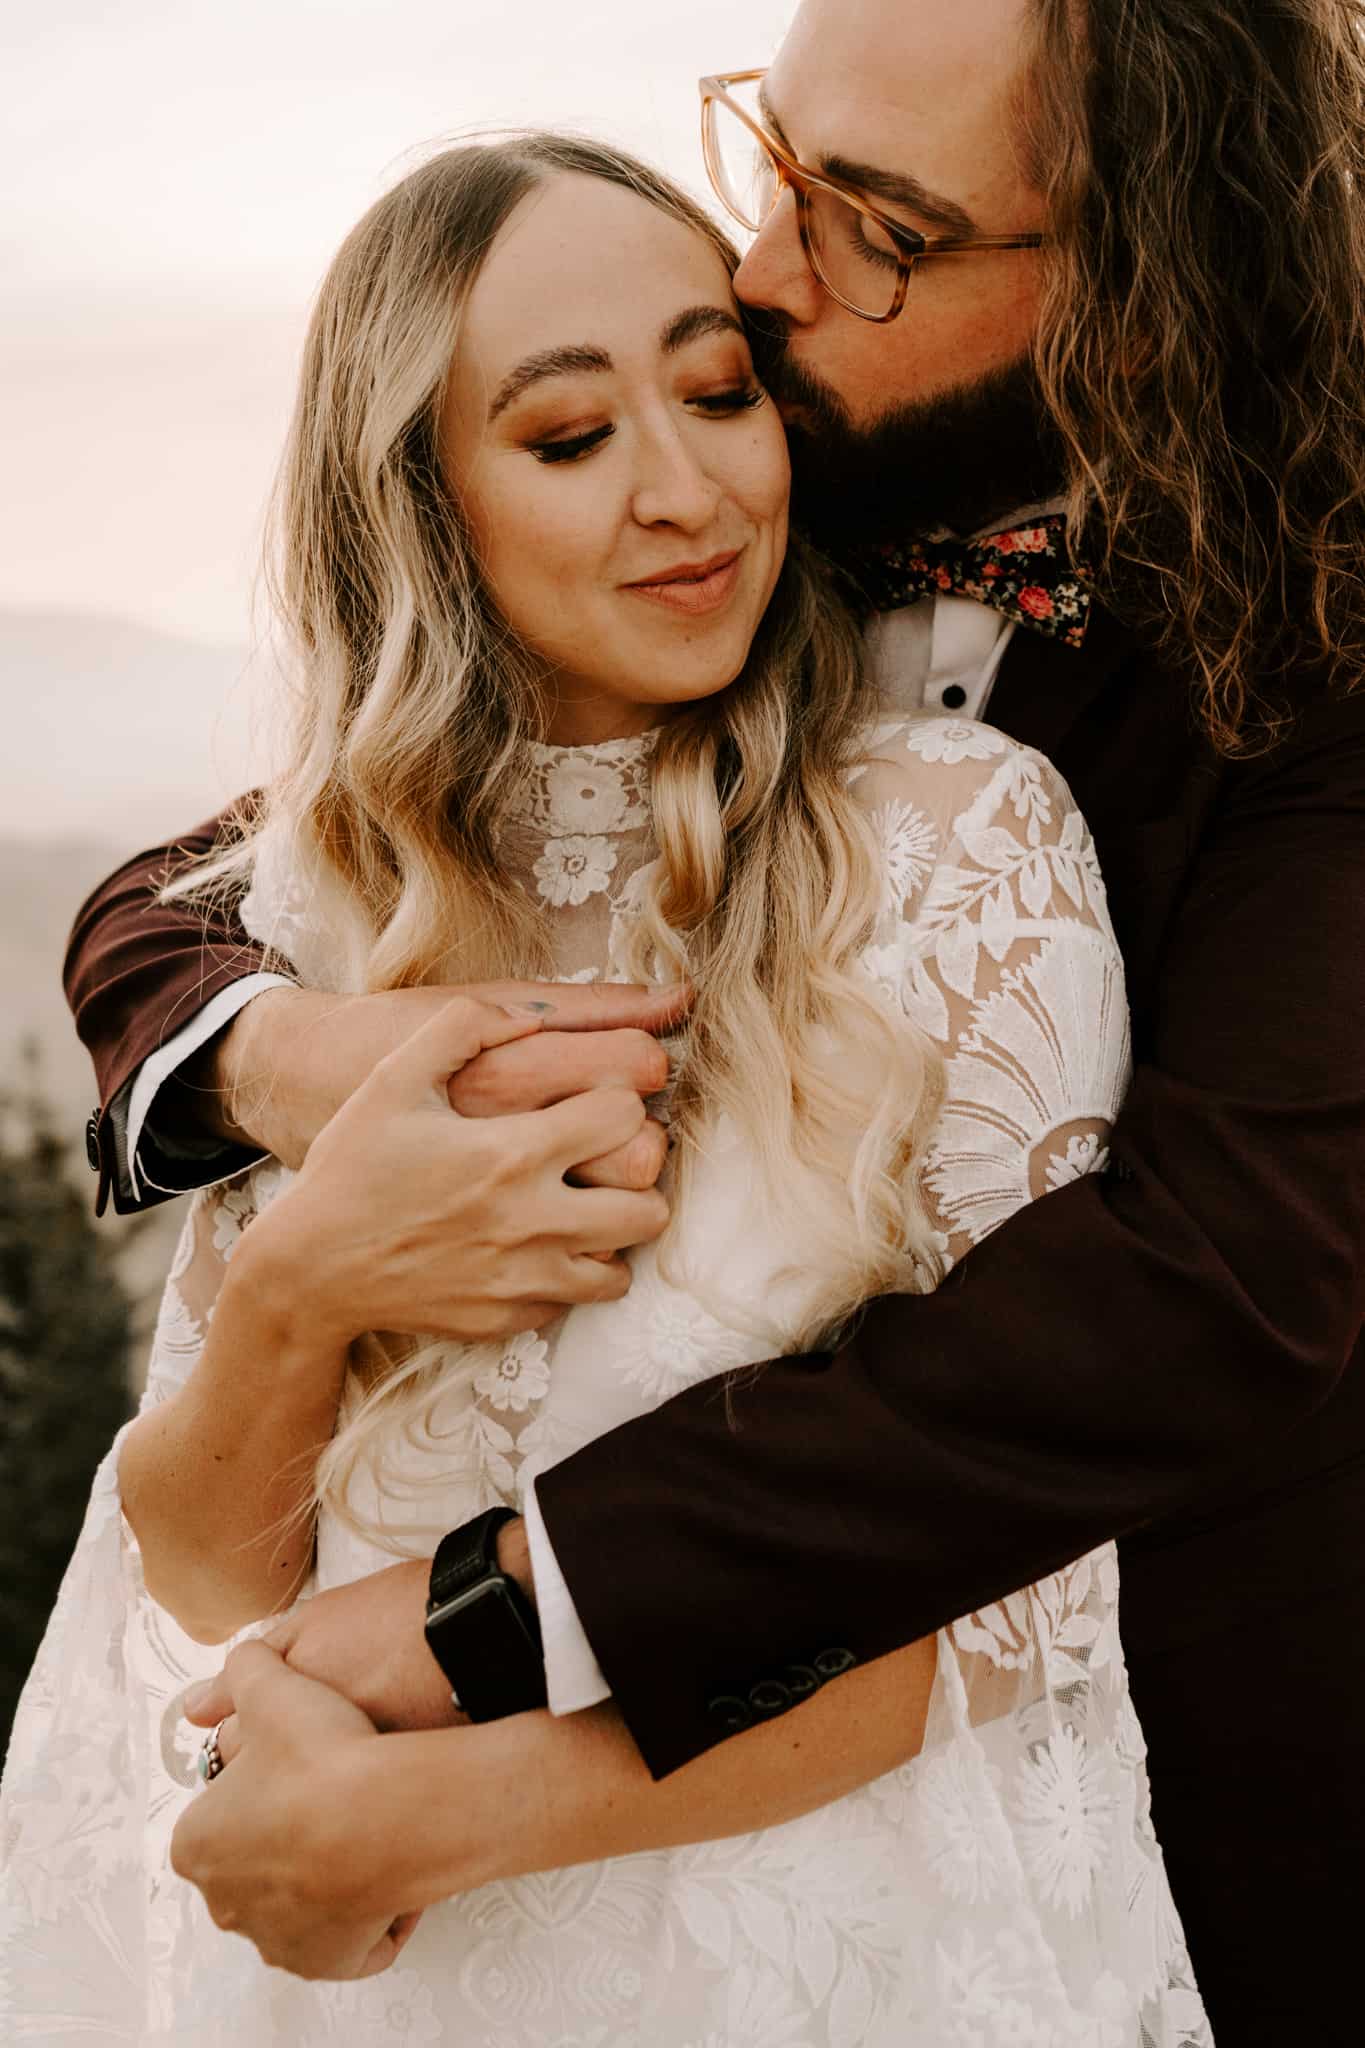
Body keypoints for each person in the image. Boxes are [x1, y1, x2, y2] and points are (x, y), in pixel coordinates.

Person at [50, 0, 1365, 2038]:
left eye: (873, 223)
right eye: (773, 161)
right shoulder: (763, 504)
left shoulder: (1306, 656)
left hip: (1132, 1823)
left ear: (1126, 283)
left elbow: (1210, 1289)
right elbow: (197, 886)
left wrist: (494, 1627)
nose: (761, 278)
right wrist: (291, 1065)